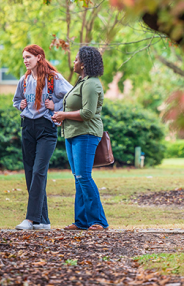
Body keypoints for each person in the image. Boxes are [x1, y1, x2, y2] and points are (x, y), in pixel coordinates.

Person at [12, 44, 72, 230]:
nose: (25, 60)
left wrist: (56, 105)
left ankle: (30, 219)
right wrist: (20, 104)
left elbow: (72, 95)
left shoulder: (54, 78)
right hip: (28, 128)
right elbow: (16, 101)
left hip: (46, 129)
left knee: (39, 171)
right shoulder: (24, 79)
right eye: (24, 57)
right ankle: (43, 221)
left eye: (29, 57)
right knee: (31, 173)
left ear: (39, 57)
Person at [51, 46, 109, 230]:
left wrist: (63, 115)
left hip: (86, 134)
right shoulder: (81, 82)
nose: (73, 63)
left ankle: (98, 221)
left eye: (76, 60)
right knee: (78, 177)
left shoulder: (92, 83)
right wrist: (62, 118)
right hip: (73, 134)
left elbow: (88, 113)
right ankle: (82, 221)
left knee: (84, 176)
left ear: (83, 64)